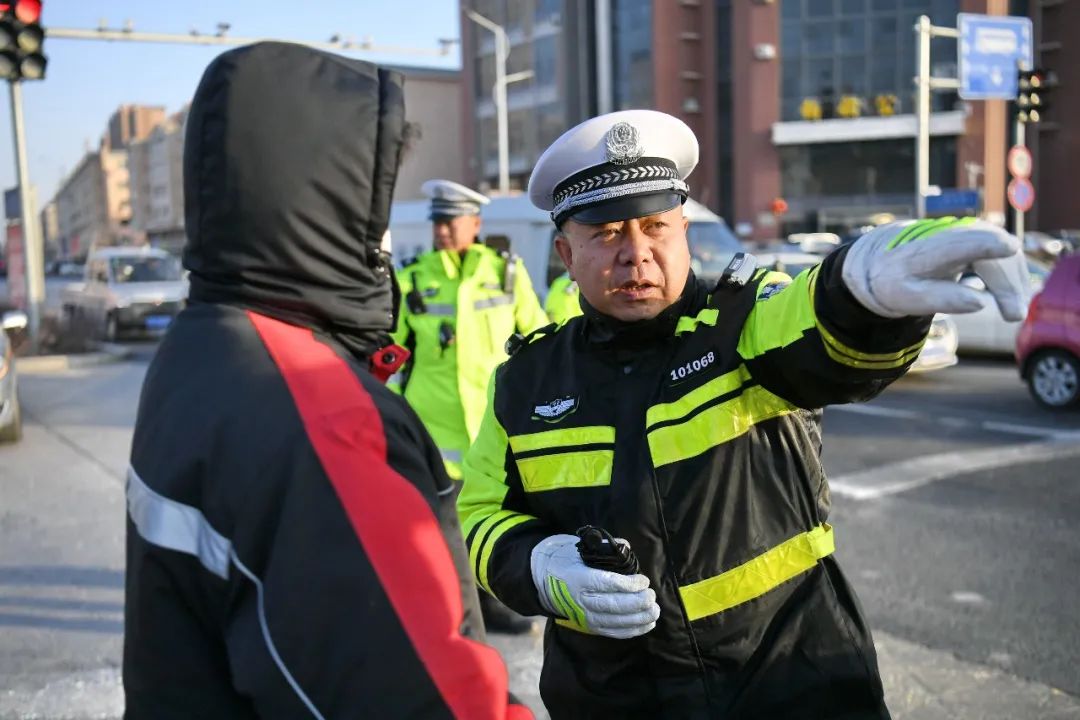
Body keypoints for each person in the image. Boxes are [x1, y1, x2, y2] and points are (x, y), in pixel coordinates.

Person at [457, 109, 1029, 719]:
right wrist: (542, 567)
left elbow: (819, 331)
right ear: (566, 254)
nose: (637, 255)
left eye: (656, 227)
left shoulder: (743, 321)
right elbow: (479, 517)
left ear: (683, 232)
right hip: (614, 701)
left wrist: (860, 290)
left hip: (794, 686)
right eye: (607, 233)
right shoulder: (524, 381)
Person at [124, 42, 531, 720]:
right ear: (318, 201)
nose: (384, 239)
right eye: (372, 206)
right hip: (418, 436)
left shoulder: (204, 346)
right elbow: (427, 701)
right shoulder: (314, 418)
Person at [391, 179, 549, 635]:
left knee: (490, 523)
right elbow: (391, 351)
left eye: (450, 221)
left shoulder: (506, 274)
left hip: (490, 427)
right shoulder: (414, 278)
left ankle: (490, 606)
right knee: (436, 532)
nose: (441, 230)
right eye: (437, 222)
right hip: (432, 429)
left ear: (475, 224)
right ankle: (446, 613)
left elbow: (537, 341)